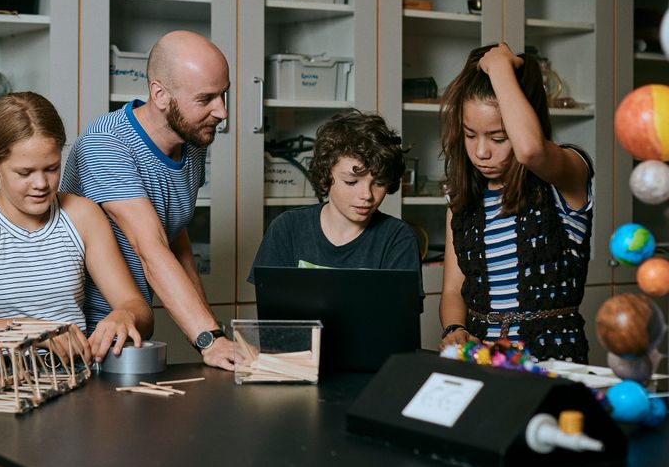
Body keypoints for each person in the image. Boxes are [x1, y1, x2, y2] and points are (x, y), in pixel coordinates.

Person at [0, 92, 153, 467]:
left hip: (80, 401)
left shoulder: (82, 215)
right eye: (25, 171)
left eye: (51, 168)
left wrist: (125, 315)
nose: (41, 184)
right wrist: (27, 332)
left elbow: (136, 306)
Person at [61, 30, 234, 369]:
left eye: (224, 95)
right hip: (81, 338)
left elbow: (174, 235)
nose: (222, 112)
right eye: (206, 99)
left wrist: (216, 336)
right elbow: (149, 246)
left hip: (131, 331)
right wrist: (208, 339)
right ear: (160, 94)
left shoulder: (192, 141)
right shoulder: (107, 144)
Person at [438, 43, 593, 363]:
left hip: (554, 365)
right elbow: (454, 289)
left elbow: (531, 150)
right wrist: (453, 328)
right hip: (485, 368)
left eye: (498, 138)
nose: (481, 152)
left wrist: (498, 68)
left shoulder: (566, 174)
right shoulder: (461, 198)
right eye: (470, 135)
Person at [248, 109, 423, 303]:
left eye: (379, 183)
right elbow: (273, 317)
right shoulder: (287, 228)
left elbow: (400, 322)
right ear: (325, 177)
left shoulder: (397, 238)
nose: (367, 195)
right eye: (351, 182)